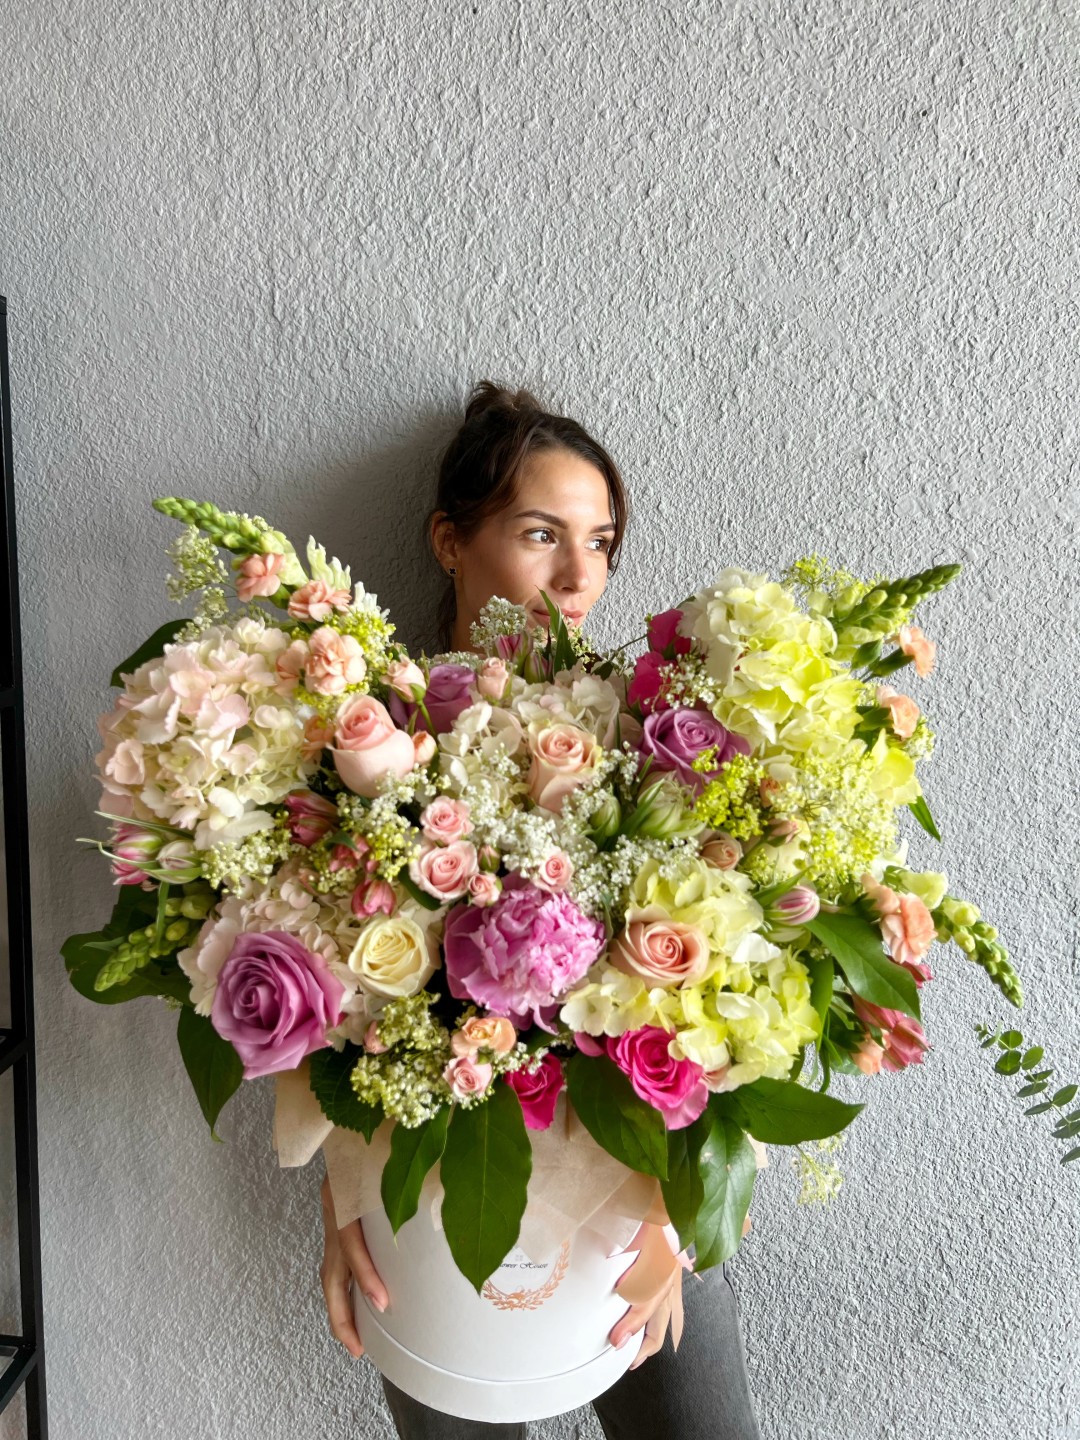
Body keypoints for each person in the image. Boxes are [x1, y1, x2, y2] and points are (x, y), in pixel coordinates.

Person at [318, 381, 763, 1439]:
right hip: (430, 1209)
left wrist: (674, 1224)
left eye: (600, 541)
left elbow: (729, 995)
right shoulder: (368, 747)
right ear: (450, 541)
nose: (579, 577)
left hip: (636, 1215)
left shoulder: (651, 734)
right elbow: (329, 1018)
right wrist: (341, 1206)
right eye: (540, 534)